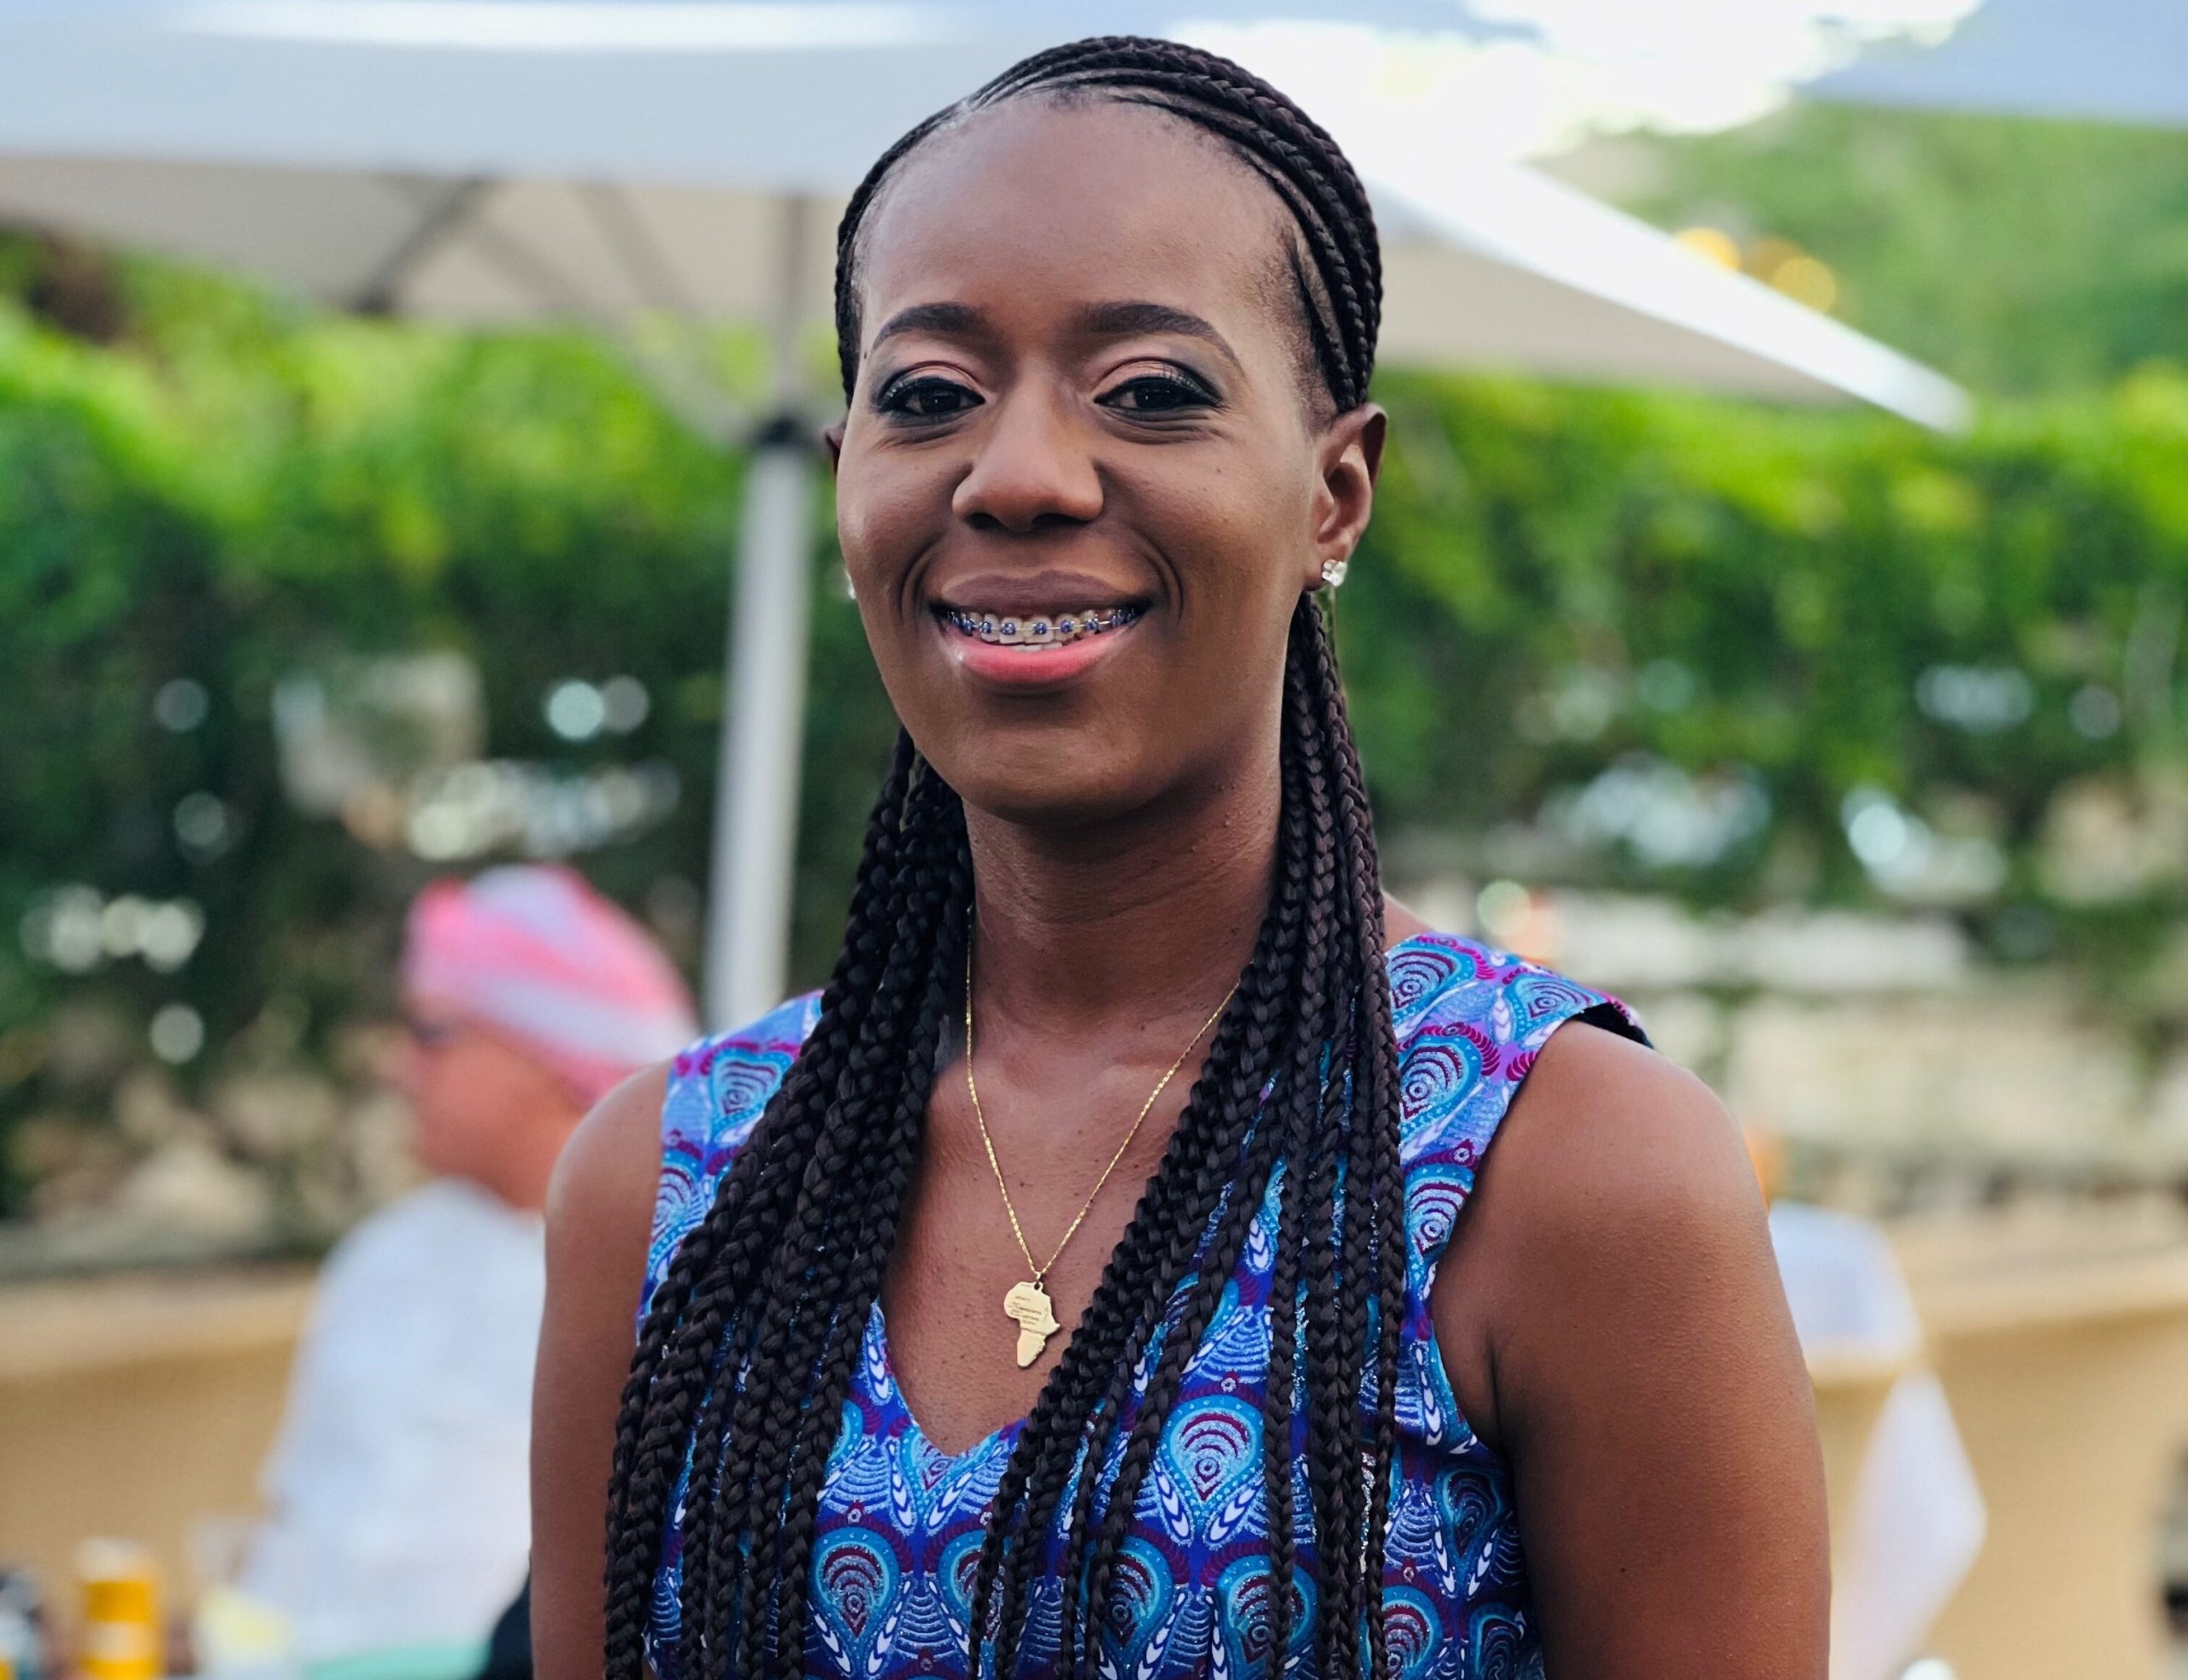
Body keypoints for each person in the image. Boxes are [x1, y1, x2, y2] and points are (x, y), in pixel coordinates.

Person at [533, 38, 1827, 1680]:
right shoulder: (672, 1186)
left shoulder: (1567, 1171)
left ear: (1335, 494)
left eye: (1151, 392)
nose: (1019, 474)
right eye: (927, 397)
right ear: (851, 474)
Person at [244, 865, 696, 1661]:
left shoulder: (673, 1279)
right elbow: (288, 1528)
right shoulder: (381, 1256)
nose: (397, 1066)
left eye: (431, 1032)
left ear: (554, 1062)